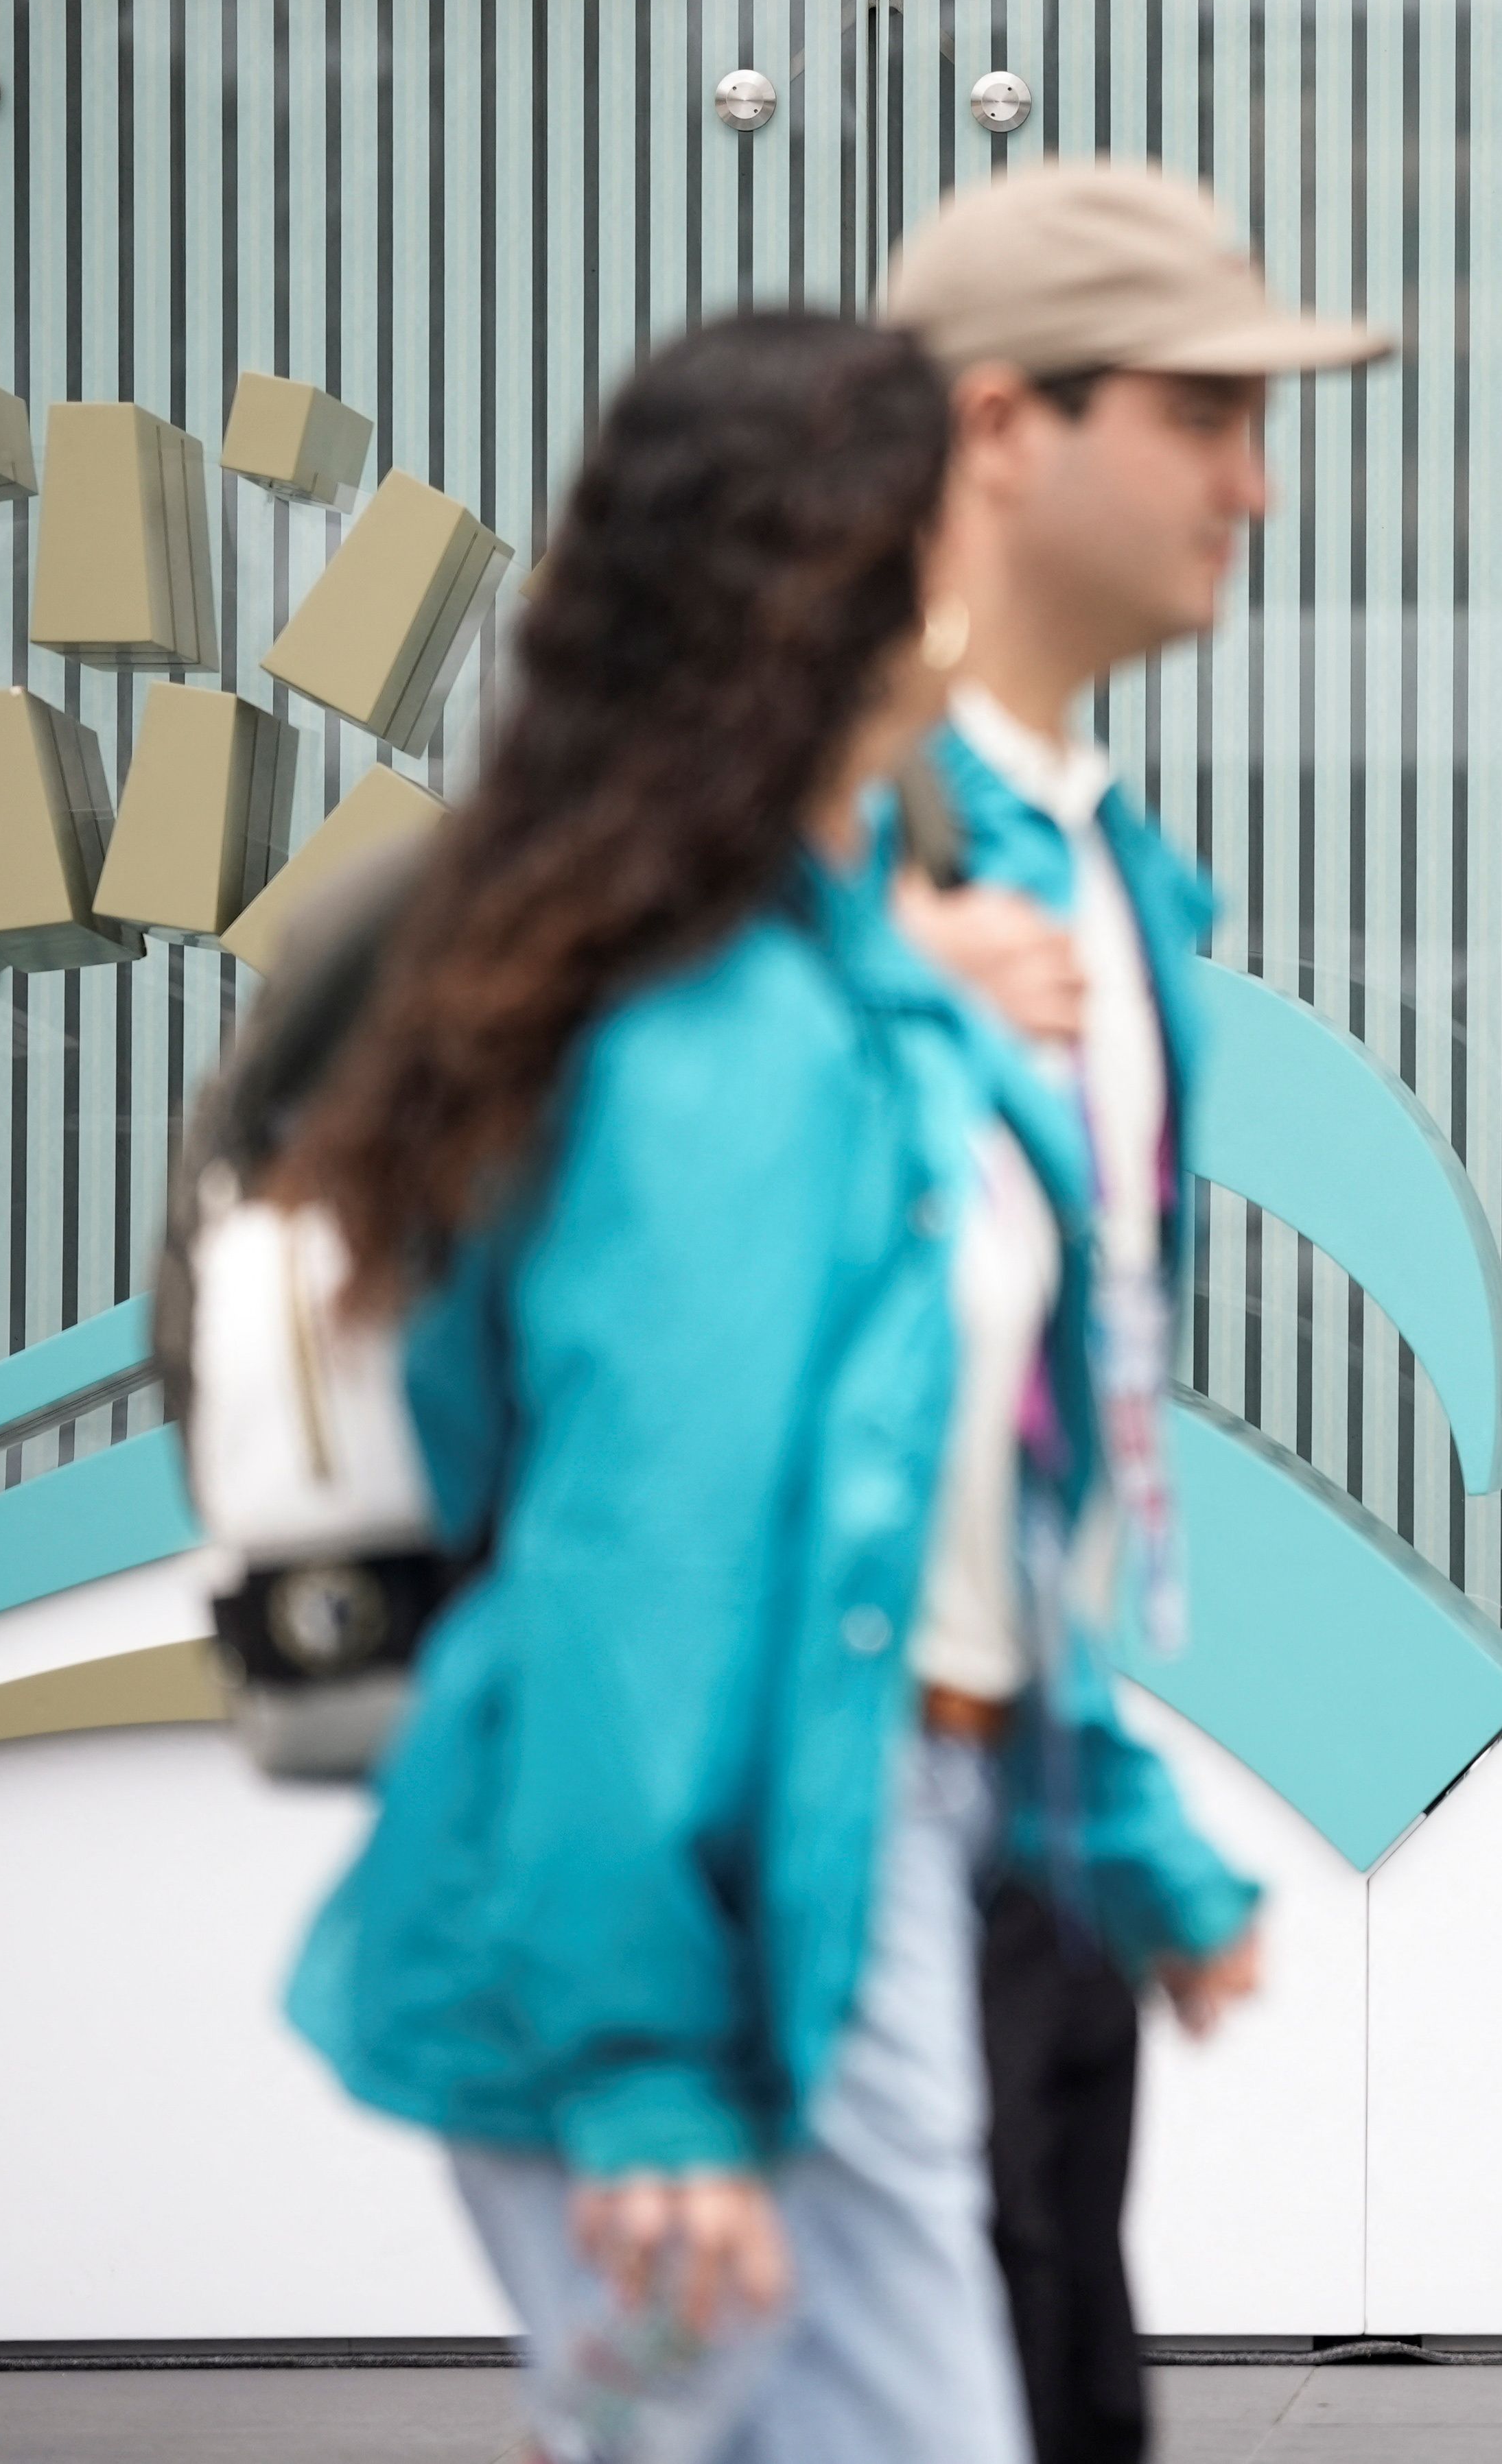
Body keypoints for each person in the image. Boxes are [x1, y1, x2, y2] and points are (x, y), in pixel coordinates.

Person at [272, 313, 1064, 2464]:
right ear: (879, 592)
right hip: (706, 1949)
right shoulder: (718, 1049)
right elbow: (640, 1569)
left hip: (782, 1898)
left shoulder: (799, 970)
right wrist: (648, 2070)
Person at [871, 164, 1389, 2464]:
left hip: (1014, 1811)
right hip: (827, 1838)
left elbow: (1023, 1438)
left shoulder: (1104, 856)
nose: (1251, 482)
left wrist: (1116, 1836)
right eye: (1198, 414)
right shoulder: (811, 838)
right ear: (1001, 429)